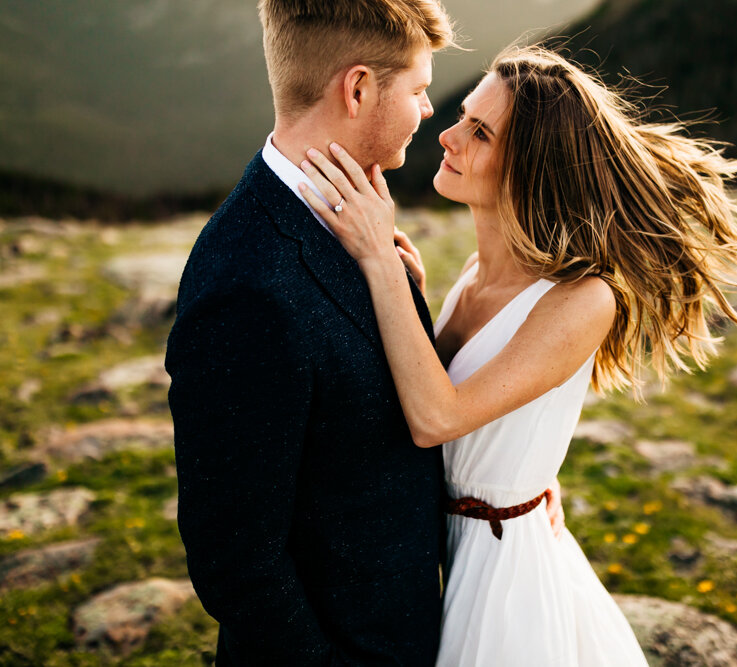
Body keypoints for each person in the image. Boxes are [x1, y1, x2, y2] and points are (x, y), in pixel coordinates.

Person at [298, 44, 737, 666]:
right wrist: (408, 296)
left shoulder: (583, 299)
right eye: (462, 115)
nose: (447, 136)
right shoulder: (473, 273)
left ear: (531, 169)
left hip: (502, 571)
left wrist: (378, 265)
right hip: (434, 546)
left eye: (479, 132)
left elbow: (437, 417)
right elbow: (454, 403)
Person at [165, 1, 464, 664]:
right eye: (418, 90)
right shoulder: (246, 283)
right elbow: (236, 560)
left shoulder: (359, 211)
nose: (427, 111)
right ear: (357, 88)